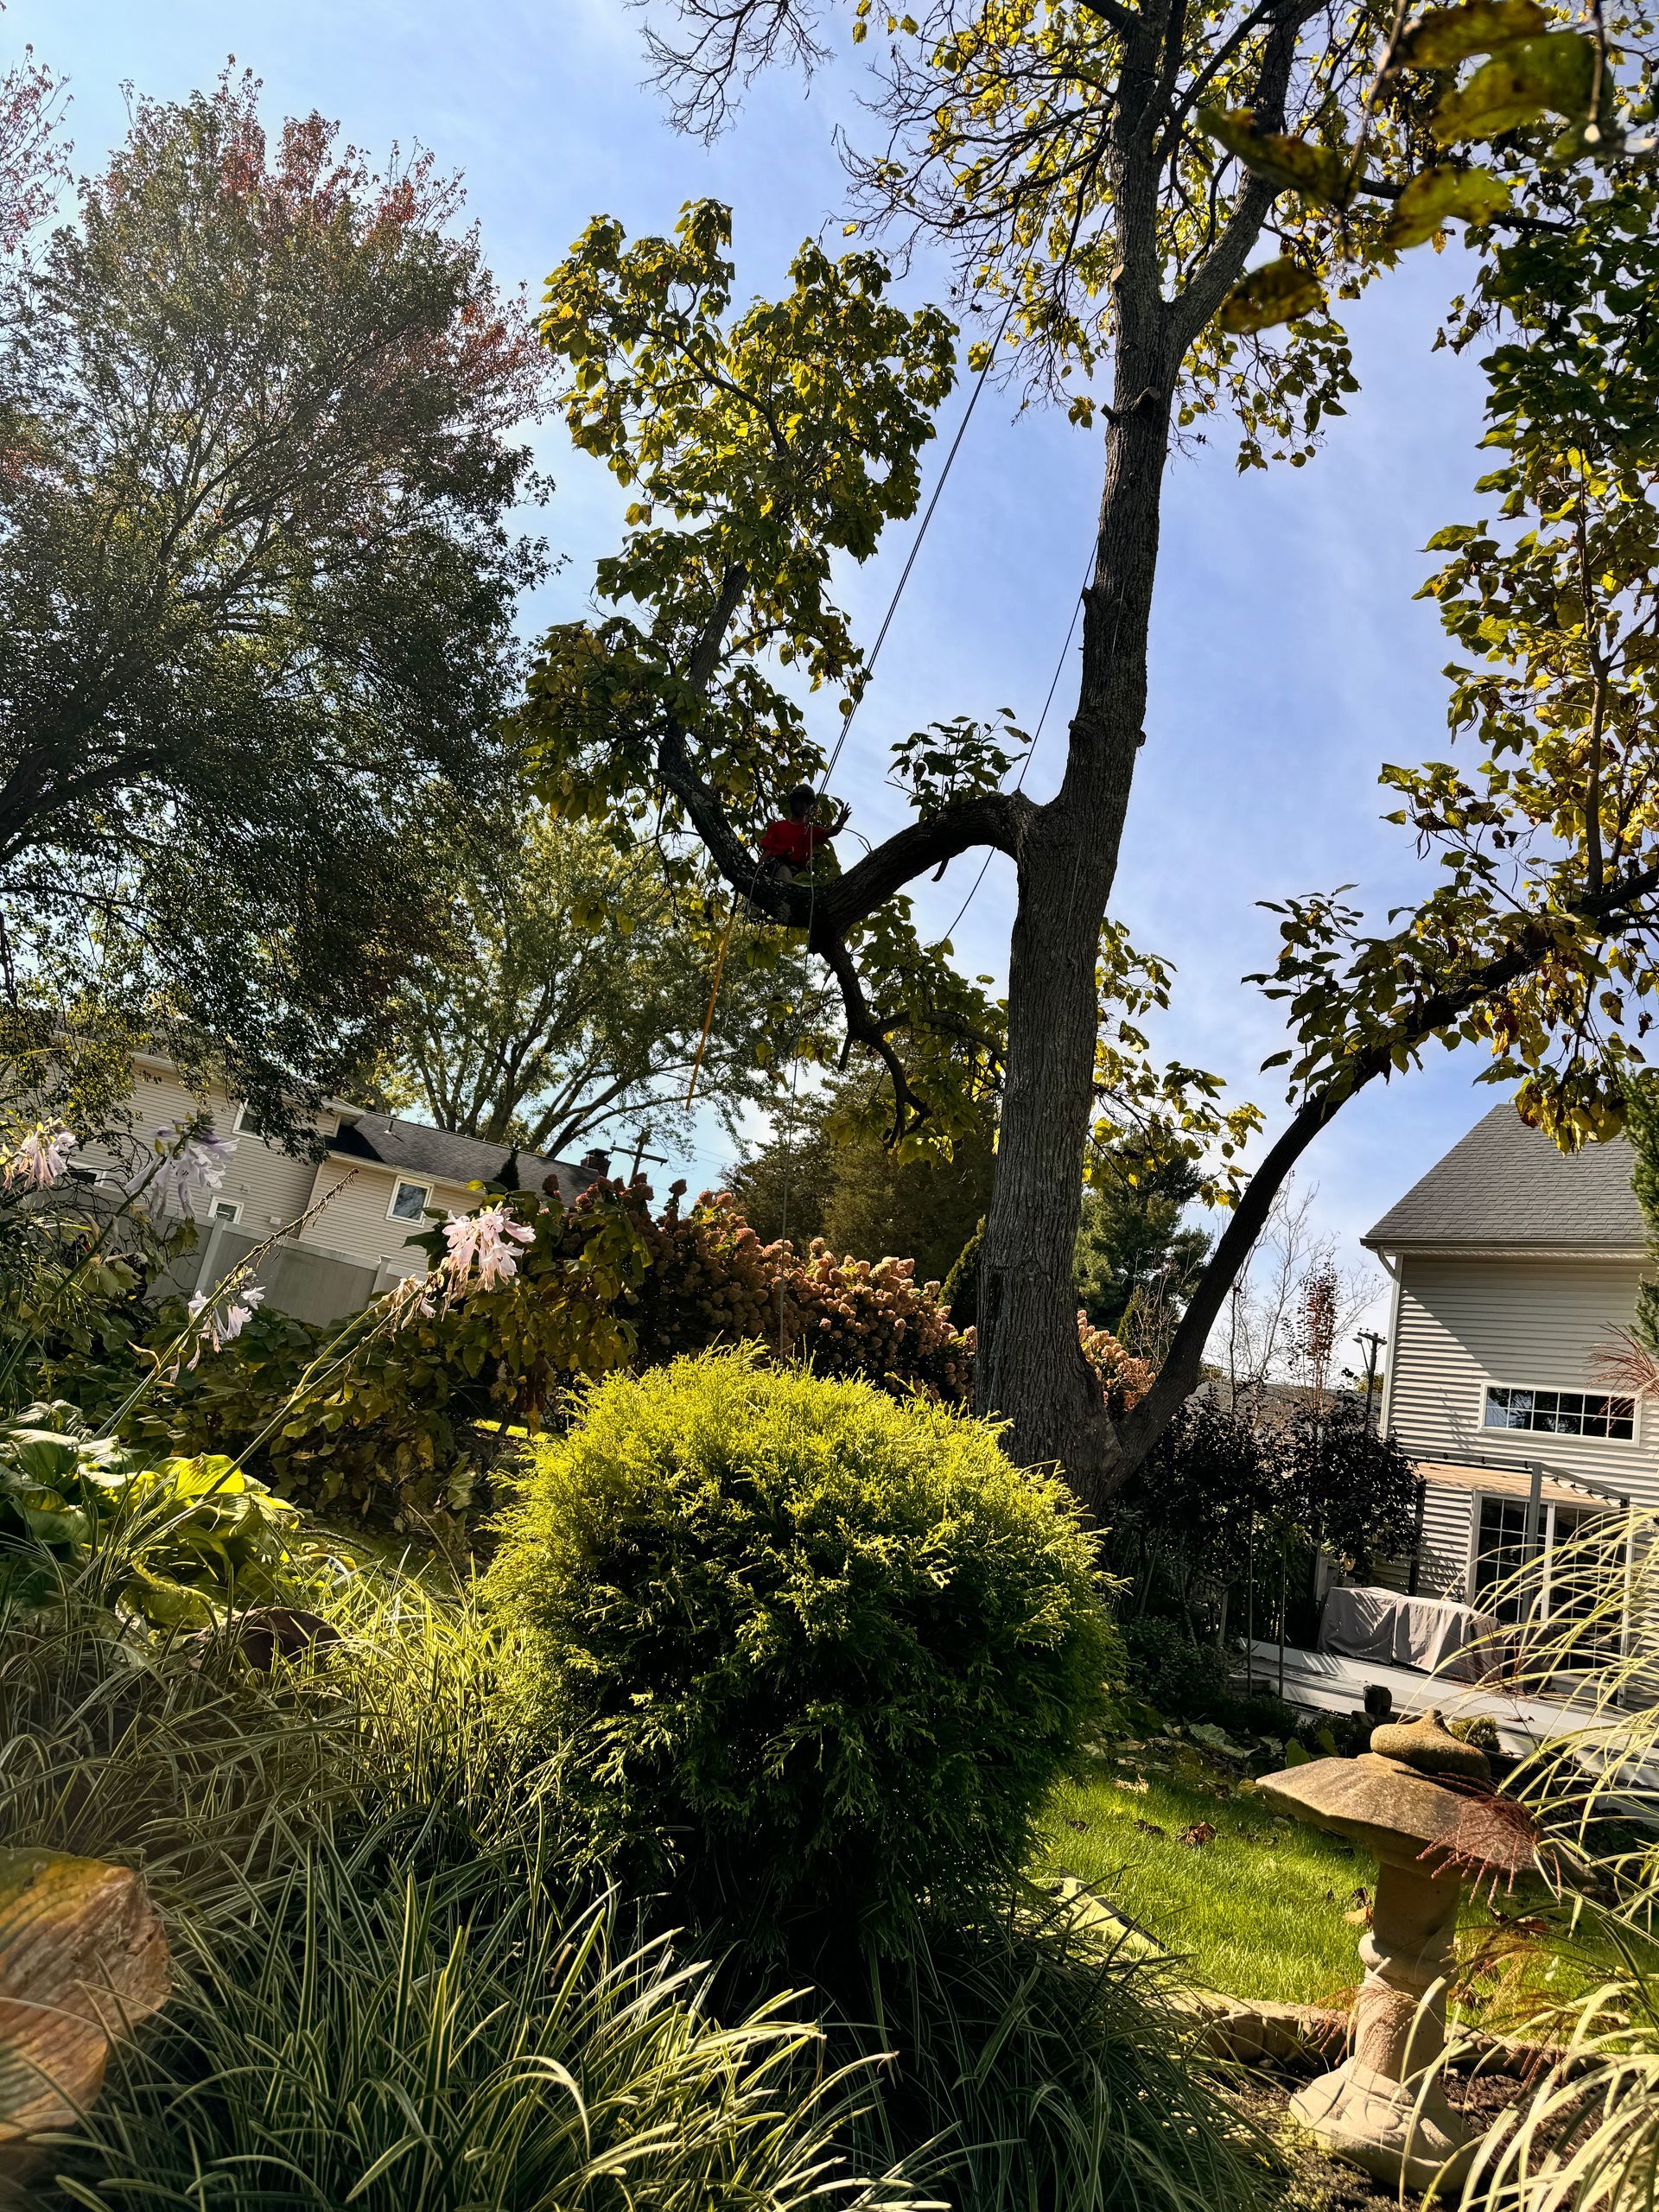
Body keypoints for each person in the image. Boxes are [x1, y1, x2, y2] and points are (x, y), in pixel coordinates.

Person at [758, 784, 849, 885]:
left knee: (809, 884)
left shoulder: (812, 831)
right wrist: (757, 873)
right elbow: (767, 852)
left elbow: (832, 832)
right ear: (793, 802)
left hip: (800, 871)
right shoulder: (777, 827)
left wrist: (840, 823)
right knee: (784, 872)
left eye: (807, 803)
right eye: (800, 801)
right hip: (779, 867)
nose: (804, 805)